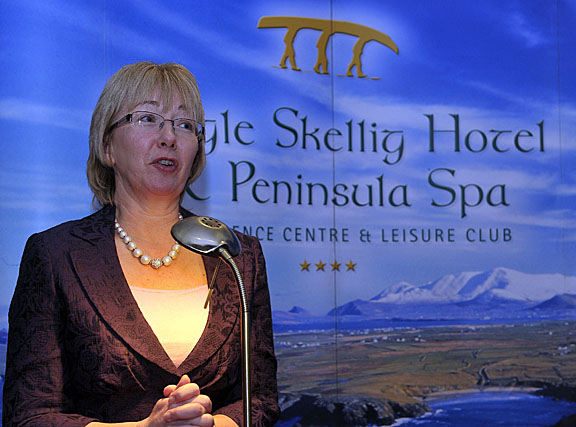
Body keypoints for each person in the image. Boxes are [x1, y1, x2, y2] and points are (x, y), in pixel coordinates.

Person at [3, 61, 280, 426]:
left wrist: (211, 425)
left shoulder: (237, 256)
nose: (169, 137)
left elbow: (260, 399)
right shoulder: (56, 255)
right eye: (148, 118)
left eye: (185, 125)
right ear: (108, 147)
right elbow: (29, 415)